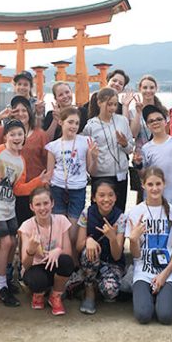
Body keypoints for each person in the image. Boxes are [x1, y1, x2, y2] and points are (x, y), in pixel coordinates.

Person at [0, 119, 49, 307]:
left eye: (20, 134)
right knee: (6, 243)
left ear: (24, 137)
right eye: (12, 134)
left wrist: (38, 181)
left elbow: (18, 189)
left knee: (13, 241)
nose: (17, 137)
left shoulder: (21, 160)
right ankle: (1, 288)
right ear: (5, 136)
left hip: (8, 207)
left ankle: (4, 278)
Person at [125, 167, 172, 325]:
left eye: (158, 184)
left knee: (166, 317)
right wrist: (133, 240)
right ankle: (145, 294)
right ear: (143, 185)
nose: (154, 188)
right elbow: (137, 255)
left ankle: (161, 295)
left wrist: (164, 276)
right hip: (143, 272)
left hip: (166, 272)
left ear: (164, 184)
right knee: (143, 316)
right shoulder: (135, 212)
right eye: (150, 184)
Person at [0, 95, 49, 226]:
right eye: (17, 110)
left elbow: (47, 159)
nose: (21, 113)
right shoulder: (6, 132)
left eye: (24, 110)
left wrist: (44, 182)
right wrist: (1, 115)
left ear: (29, 113)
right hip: (8, 192)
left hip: (31, 189)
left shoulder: (40, 134)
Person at [45, 106, 98, 250]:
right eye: (70, 122)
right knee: (60, 228)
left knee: (74, 230)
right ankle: (64, 260)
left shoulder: (86, 141)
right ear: (61, 122)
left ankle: (72, 258)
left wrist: (94, 157)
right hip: (57, 188)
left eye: (76, 123)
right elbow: (49, 174)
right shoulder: (52, 146)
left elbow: (91, 170)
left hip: (78, 189)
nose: (74, 126)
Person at [19, 187, 75, 316]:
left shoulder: (61, 220)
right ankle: (39, 294)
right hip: (36, 267)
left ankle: (55, 295)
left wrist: (57, 250)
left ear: (52, 204)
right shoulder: (27, 226)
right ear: (32, 207)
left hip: (54, 265)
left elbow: (68, 253)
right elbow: (26, 265)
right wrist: (31, 250)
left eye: (46, 203)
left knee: (66, 262)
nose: (42, 208)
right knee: (37, 281)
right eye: (38, 204)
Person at [76, 180, 126, 314]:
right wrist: (89, 240)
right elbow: (78, 246)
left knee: (110, 291)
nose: (106, 199)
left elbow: (117, 255)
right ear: (94, 197)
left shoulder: (120, 217)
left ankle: (96, 284)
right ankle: (89, 291)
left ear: (116, 197)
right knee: (89, 250)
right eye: (101, 195)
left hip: (111, 263)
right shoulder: (87, 213)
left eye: (111, 195)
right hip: (92, 261)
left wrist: (112, 238)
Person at [133, 105, 172, 213]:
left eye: (159, 119)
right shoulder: (145, 148)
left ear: (166, 121)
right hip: (152, 200)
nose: (155, 122)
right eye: (151, 121)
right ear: (147, 126)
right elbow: (143, 175)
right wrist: (138, 165)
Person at [83, 87, 134, 211]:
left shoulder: (122, 121)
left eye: (115, 104)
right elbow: (87, 154)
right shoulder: (91, 126)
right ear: (99, 102)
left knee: (119, 211)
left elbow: (130, 149)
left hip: (121, 174)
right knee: (99, 211)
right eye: (109, 104)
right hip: (100, 175)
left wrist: (124, 144)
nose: (112, 108)